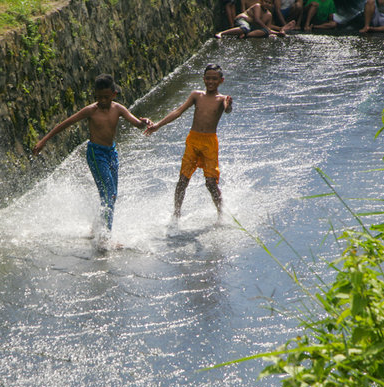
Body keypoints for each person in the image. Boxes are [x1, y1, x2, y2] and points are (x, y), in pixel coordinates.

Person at [32, 74, 152, 240]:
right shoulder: (91, 110)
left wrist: (144, 122)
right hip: (96, 154)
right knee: (108, 194)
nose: (102, 101)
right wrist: (43, 141)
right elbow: (65, 124)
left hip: (112, 153)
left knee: (112, 195)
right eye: (99, 97)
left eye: (106, 97)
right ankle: (105, 238)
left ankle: (97, 229)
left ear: (114, 94)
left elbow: (136, 123)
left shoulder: (119, 109)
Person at [144, 63, 233, 225]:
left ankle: (221, 214)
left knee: (211, 183)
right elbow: (178, 111)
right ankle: (176, 214)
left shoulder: (222, 99)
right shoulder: (196, 96)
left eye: (215, 79)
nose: (211, 82)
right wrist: (158, 125)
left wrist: (229, 104)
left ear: (221, 80)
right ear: (203, 79)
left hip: (210, 143)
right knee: (183, 180)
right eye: (208, 78)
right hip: (193, 140)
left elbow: (227, 110)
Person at [216, 0, 294, 38]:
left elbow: (268, 28)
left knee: (265, 31)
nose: (267, 4)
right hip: (242, 20)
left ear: (272, 5)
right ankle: (221, 33)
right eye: (265, 2)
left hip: (251, 27)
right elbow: (257, 19)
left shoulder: (269, 15)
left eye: (269, 3)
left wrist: (279, 32)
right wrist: (267, 28)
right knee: (245, 28)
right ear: (262, 2)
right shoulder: (257, 6)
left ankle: (246, 35)